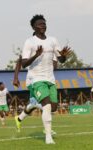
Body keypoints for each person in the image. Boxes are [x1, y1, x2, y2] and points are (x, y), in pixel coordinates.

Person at [20, 14, 71, 144]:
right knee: (47, 106)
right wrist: (36, 55)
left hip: (50, 79)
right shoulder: (29, 42)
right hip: (36, 78)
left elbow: (60, 59)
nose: (43, 25)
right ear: (34, 27)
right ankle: (48, 137)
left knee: (53, 107)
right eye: (40, 24)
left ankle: (36, 104)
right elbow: (24, 63)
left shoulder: (53, 40)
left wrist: (64, 56)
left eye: (44, 23)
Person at [13, 54, 57, 134]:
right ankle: (47, 130)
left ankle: (19, 118)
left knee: (50, 107)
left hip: (46, 80)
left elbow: (55, 67)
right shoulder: (31, 45)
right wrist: (15, 77)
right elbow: (20, 61)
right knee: (46, 104)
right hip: (33, 80)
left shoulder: (51, 47)